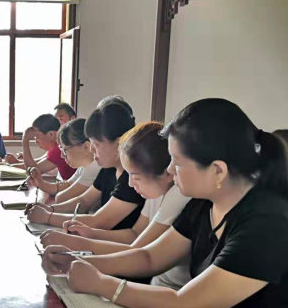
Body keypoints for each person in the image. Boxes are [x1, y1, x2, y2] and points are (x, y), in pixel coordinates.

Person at [43, 98, 288, 308]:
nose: (168, 170)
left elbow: (185, 305)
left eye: (177, 163)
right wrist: (76, 259)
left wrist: (102, 284)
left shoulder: (269, 223)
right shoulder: (206, 202)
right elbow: (149, 257)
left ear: (218, 170)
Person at [40, 121, 191, 290]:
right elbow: (135, 234)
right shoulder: (155, 189)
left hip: (161, 286)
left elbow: (139, 251)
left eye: (136, 177)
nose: (131, 184)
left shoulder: (177, 194)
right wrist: (91, 234)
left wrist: (77, 249)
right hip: (154, 282)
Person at [26, 96, 145, 231]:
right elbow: (84, 201)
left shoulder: (131, 178)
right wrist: (49, 209)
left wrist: (48, 217)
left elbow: (99, 221)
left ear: (118, 143)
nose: (92, 149)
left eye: (96, 144)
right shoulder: (109, 168)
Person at [27, 118, 101, 205]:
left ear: (86, 147)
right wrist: (41, 184)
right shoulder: (84, 166)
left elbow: (62, 198)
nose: (62, 155)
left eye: (64, 150)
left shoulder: (94, 167)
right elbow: (67, 185)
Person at [10, 114, 77, 182]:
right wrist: (10, 166)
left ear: (51, 134)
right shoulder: (56, 145)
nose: (36, 141)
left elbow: (32, 172)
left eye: (37, 137)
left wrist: (25, 140)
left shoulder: (59, 149)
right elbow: (37, 163)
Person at [5, 103, 77, 165]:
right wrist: (18, 161)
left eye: (60, 119)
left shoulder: (70, 144)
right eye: (55, 119)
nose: (56, 123)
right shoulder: (57, 143)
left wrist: (25, 140)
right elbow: (40, 161)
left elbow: (34, 168)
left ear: (72, 119)